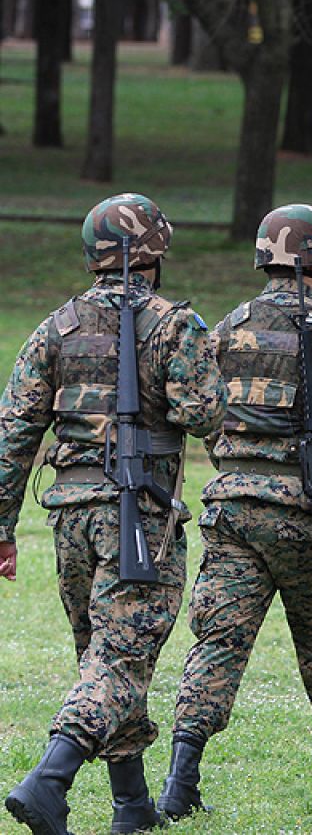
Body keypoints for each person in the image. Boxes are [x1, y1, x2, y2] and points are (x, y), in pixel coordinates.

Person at [157, 205, 312, 820]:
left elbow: (204, 414)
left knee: (219, 641)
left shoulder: (227, 326)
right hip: (303, 509)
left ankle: (180, 784)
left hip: (232, 508)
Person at [2, 193, 226, 834]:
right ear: (154, 250)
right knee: (122, 660)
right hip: (137, 511)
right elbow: (204, 416)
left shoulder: (56, 327)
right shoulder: (174, 324)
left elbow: (14, 432)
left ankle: (132, 806)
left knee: (104, 659)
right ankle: (49, 780)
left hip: (70, 513)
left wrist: (1, 526)